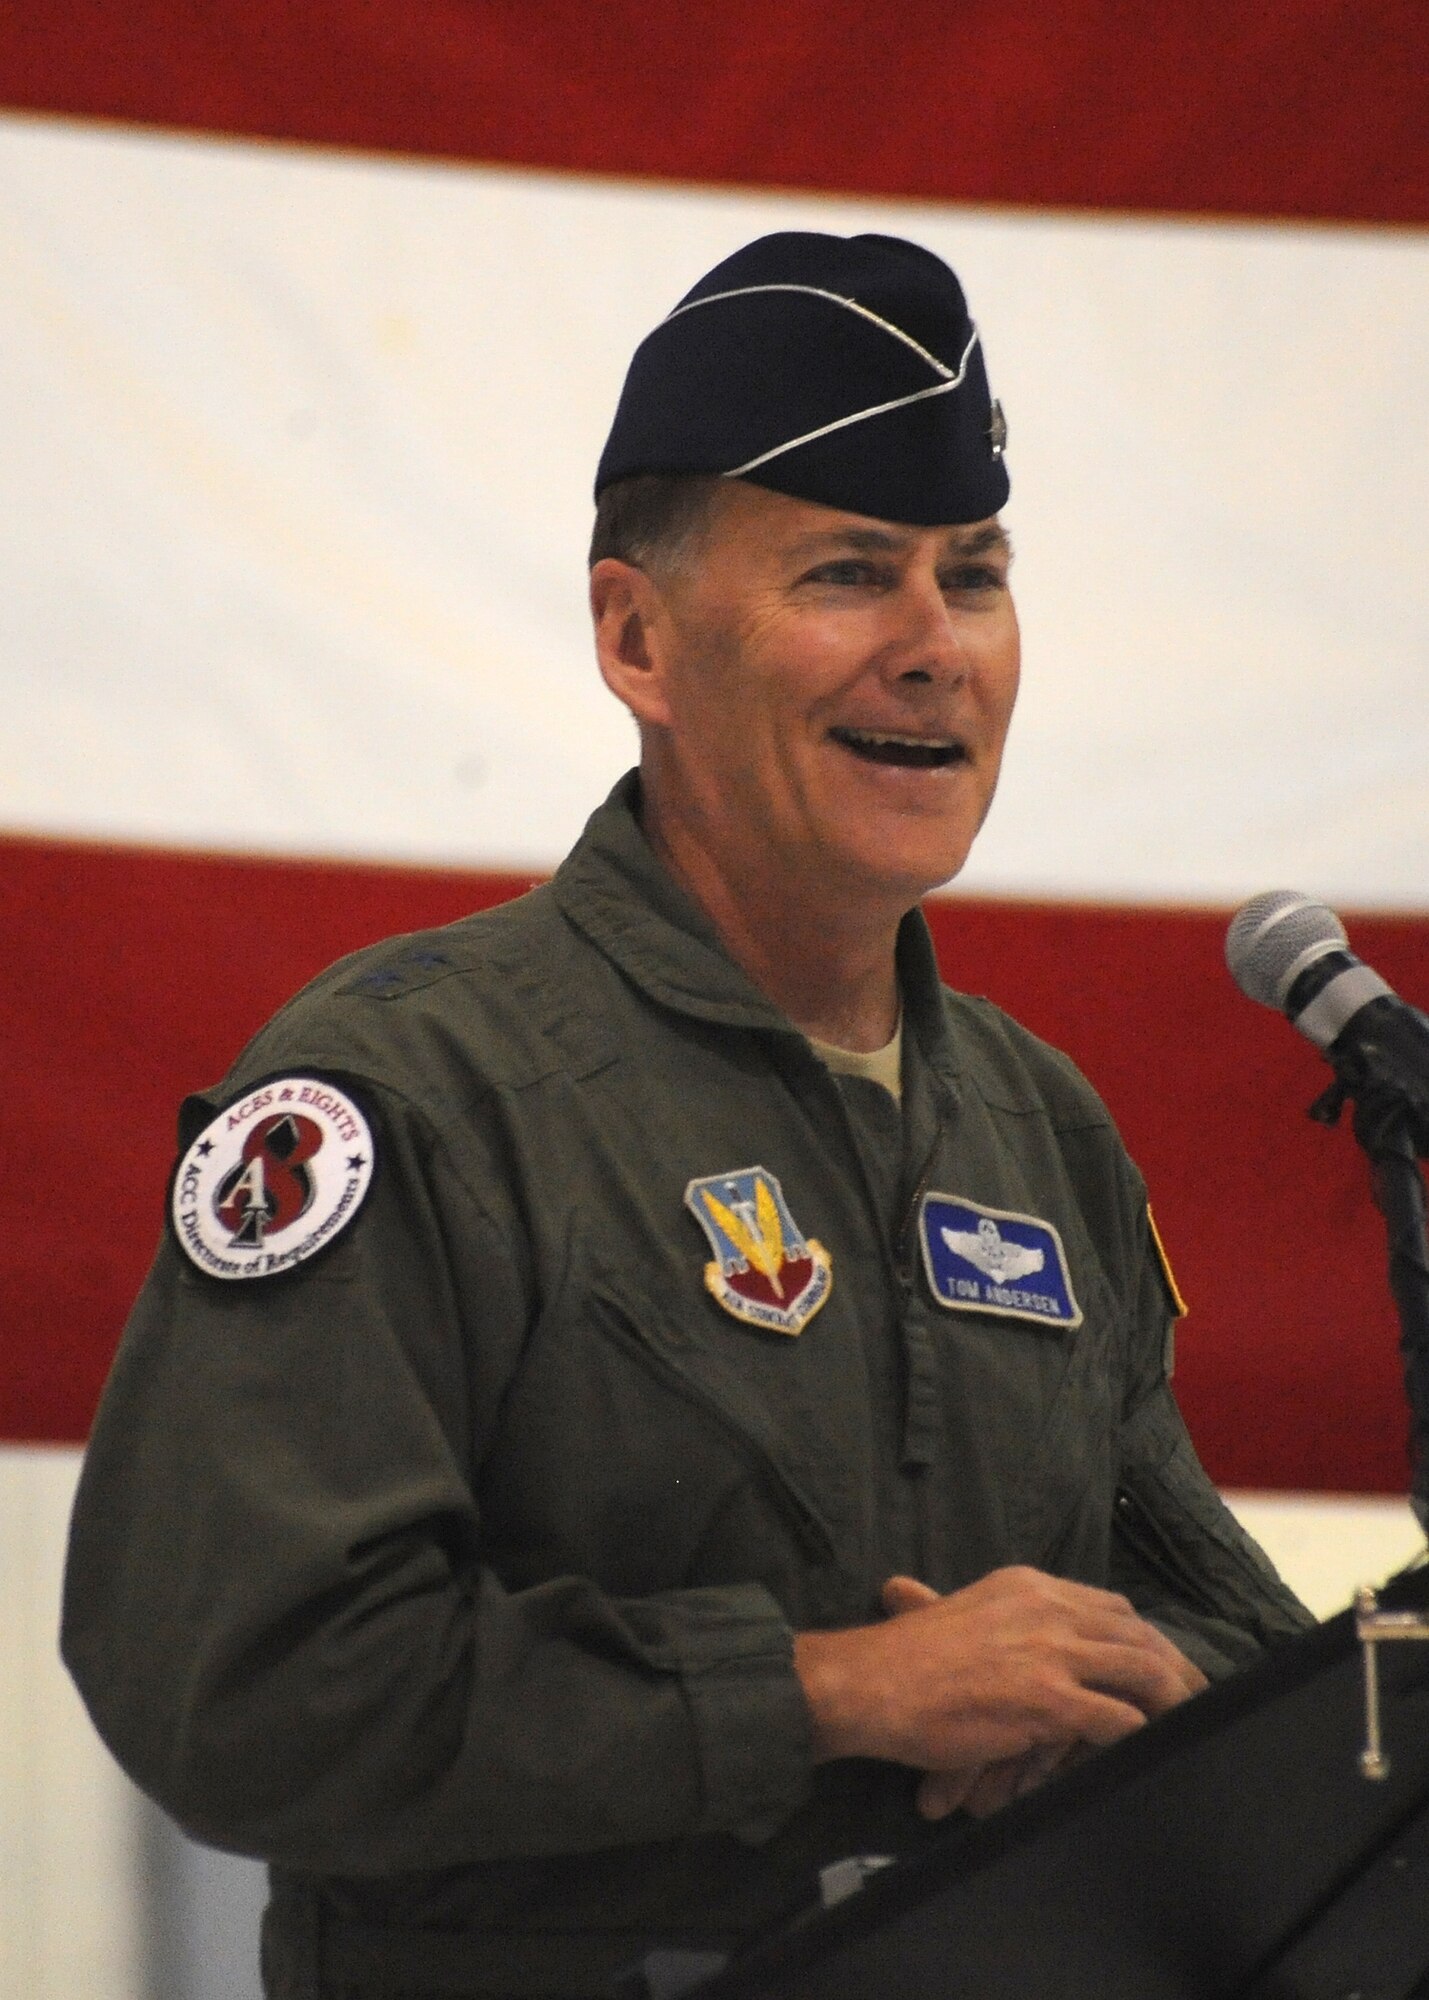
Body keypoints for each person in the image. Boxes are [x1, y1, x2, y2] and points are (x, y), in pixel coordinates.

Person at [62, 231, 1312, 2000]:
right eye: (845, 573)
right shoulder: (408, 1092)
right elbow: (234, 1685)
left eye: (973, 576)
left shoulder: (1037, 1128)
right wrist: (825, 1695)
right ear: (637, 637)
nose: (931, 648)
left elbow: (1212, 1619)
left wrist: (1149, 1706)